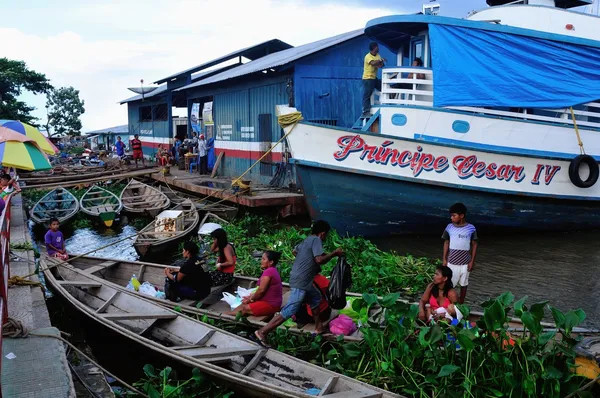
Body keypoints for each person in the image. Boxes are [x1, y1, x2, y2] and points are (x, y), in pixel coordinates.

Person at [255, 220, 344, 345]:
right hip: (301, 280)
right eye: (326, 235)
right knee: (291, 308)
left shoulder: (307, 240)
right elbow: (319, 260)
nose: (325, 238)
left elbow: (294, 251)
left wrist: (304, 261)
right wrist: (334, 253)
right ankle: (262, 331)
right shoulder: (316, 240)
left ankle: (318, 328)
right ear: (323, 233)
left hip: (302, 279)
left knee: (315, 298)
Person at [226, 251, 283, 317]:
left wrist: (250, 299)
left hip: (271, 304)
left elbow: (261, 290)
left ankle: (227, 316)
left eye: (263, 259)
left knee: (245, 308)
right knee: (243, 303)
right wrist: (250, 297)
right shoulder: (271, 270)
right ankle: (228, 314)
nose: (261, 261)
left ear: (271, 262)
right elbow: (260, 291)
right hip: (268, 301)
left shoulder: (269, 271)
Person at [442, 203, 478, 304]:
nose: (451, 218)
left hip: (465, 263)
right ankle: (448, 303)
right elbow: (446, 242)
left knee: (464, 284)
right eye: (451, 215)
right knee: (449, 284)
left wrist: (472, 261)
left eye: (454, 215)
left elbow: (474, 244)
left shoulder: (471, 228)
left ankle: (461, 303)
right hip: (452, 262)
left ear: (461, 216)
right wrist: (444, 259)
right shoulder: (449, 227)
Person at [362, 42, 385, 117]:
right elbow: (373, 63)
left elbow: (381, 65)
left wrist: (381, 62)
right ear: (374, 48)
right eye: (377, 47)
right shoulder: (367, 56)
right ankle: (365, 112)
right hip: (368, 78)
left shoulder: (378, 55)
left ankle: (387, 101)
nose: (378, 48)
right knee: (367, 95)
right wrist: (380, 61)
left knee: (383, 88)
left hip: (374, 78)